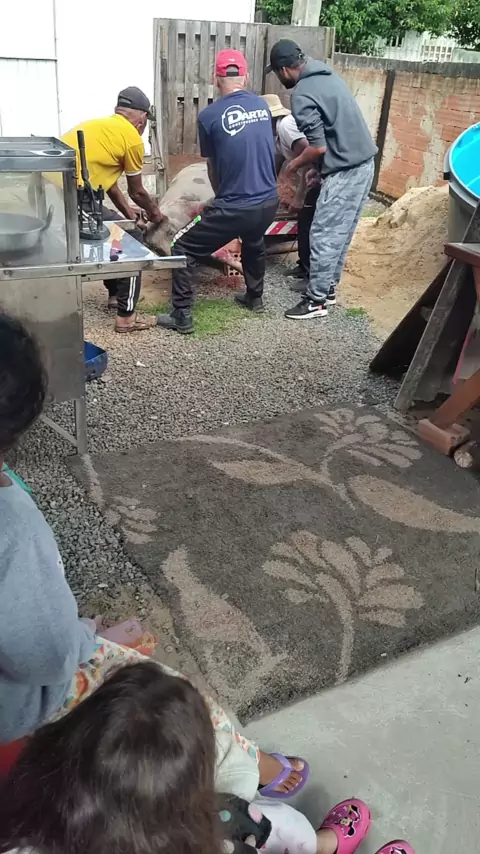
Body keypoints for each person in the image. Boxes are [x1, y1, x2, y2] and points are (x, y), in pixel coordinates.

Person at [0, 312, 307, 799]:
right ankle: (247, 771)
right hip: (19, 704)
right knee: (168, 698)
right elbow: (49, 660)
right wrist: (84, 638)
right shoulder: (12, 529)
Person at [0, 662, 415, 854]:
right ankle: (323, 847)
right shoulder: (215, 826)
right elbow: (238, 775)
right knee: (276, 823)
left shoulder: (20, 825)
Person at [157, 50, 279, 335]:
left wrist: (219, 198)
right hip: (268, 201)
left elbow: (212, 166)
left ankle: (181, 314)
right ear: (245, 77)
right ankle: (255, 297)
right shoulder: (262, 107)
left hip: (235, 206)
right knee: (254, 239)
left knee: (181, 245)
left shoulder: (209, 116)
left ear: (216, 79)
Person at [266, 40, 377, 321]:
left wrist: (293, 166)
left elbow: (317, 147)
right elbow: (335, 132)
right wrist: (320, 169)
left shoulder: (303, 93)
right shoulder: (328, 76)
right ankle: (327, 291)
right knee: (340, 235)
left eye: (276, 73)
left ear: (283, 70)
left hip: (346, 172)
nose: (278, 78)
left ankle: (315, 301)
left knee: (324, 234)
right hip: (364, 166)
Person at [62, 87, 164, 333]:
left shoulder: (98, 127)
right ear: (142, 119)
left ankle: (116, 294)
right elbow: (137, 192)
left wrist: (129, 214)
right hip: (69, 197)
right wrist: (155, 214)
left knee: (117, 230)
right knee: (131, 239)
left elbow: (109, 185)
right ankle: (126, 317)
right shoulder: (132, 139)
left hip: (55, 191)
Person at [262, 94, 326, 298]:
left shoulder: (286, 127)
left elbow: (309, 155)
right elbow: (276, 162)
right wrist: (266, 190)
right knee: (305, 220)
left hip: (324, 173)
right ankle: (302, 265)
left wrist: (299, 196)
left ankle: (310, 274)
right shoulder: (276, 134)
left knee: (310, 221)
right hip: (315, 172)